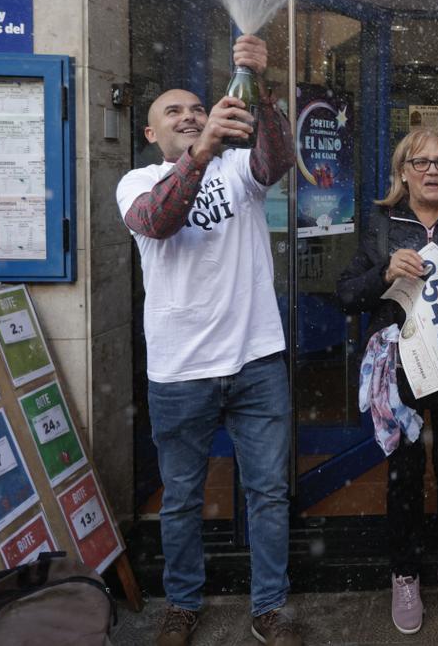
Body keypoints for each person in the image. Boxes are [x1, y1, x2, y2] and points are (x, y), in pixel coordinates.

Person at [115, 35, 302, 646]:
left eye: (198, 108)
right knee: (182, 499)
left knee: (269, 493)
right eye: (174, 112)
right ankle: (183, 604)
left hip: (255, 360)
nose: (190, 116)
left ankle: (269, 609)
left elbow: (274, 162)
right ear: (150, 133)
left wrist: (261, 86)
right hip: (179, 371)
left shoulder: (235, 168)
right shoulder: (137, 182)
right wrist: (199, 153)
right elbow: (159, 222)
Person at [335, 128, 438, 635]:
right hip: (399, 379)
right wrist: (383, 274)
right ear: (402, 172)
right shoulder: (382, 224)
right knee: (404, 479)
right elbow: (347, 293)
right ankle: (404, 573)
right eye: (420, 163)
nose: (432, 171)